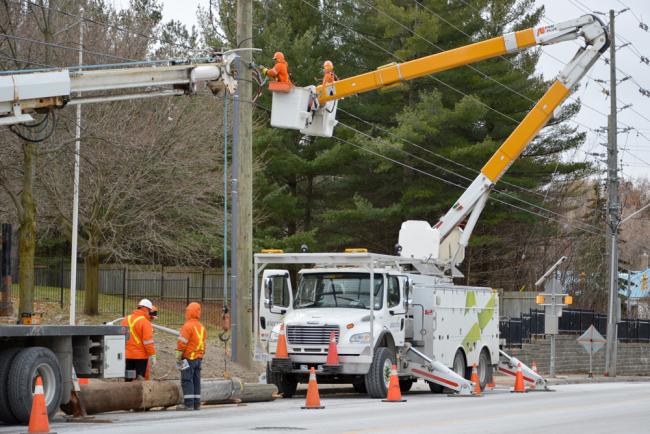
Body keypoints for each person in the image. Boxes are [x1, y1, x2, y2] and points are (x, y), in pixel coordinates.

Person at [176, 302, 207, 411]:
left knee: (186, 379)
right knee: (196, 380)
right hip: (198, 358)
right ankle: (196, 403)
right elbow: (203, 343)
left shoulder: (187, 326)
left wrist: (178, 355)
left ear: (189, 312)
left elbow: (181, 343)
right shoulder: (202, 327)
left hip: (188, 358)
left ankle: (188, 404)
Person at [121, 298, 157, 381]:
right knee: (139, 381)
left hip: (128, 355)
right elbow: (148, 342)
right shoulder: (145, 322)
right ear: (147, 309)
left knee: (128, 380)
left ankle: (127, 393)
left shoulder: (126, 319)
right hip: (140, 357)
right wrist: (153, 355)